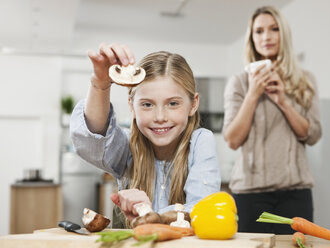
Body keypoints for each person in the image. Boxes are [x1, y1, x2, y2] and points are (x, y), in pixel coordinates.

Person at [70, 43, 221, 227]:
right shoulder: (127, 146)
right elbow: (91, 142)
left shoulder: (200, 142)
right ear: (131, 106)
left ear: (193, 104)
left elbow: (202, 210)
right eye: (147, 105)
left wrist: (149, 215)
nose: (160, 117)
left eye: (173, 103)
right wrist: (100, 84)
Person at [222, 6, 322, 234]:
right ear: (252, 38)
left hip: (296, 193)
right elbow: (232, 140)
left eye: (273, 29)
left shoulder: (305, 80)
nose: (266, 36)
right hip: (249, 194)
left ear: (283, 34)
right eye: (259, 31)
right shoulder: (238, 83)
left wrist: (283, 101)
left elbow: (313, 134)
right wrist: (253, 94)